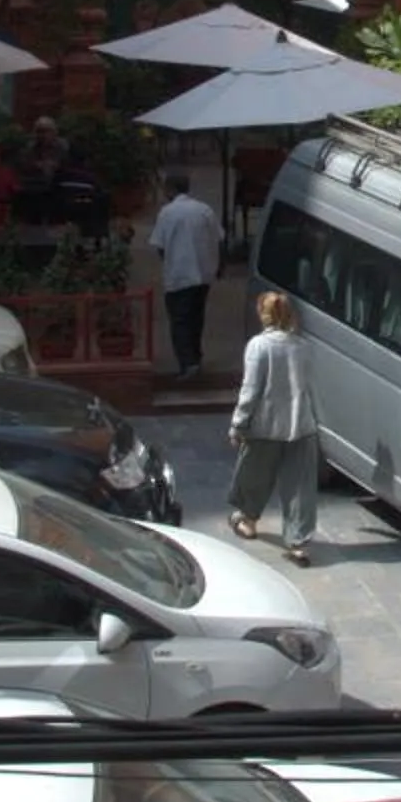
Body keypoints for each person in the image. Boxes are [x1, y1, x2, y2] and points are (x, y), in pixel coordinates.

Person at [228, 290, 320, 563]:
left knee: (254, 474)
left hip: (265, 425)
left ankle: (248, 520)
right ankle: (299, 543)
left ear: (263, 314)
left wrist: (238, 425)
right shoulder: (304, 346)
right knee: (300, 487)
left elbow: (250, 390)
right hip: (301, 425)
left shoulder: (259, 346)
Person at [149, 173, 223, 378]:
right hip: (203, 273)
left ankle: (188, 362)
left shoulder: (167, 213)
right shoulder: (204, 209)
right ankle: (195, 357)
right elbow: (217, 238)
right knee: (196, 318)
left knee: (180, 320)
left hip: (179, 275)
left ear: (170, 189)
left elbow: (160, 245)